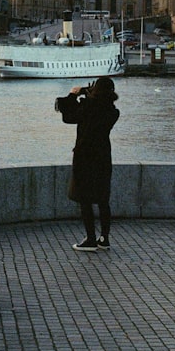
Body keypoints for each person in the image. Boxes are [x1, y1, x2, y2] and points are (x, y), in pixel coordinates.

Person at [57, 77, 120, 252]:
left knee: (84, 199)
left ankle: (90, 239)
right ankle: (104, 239)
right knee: (102, 199)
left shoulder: (88, 107)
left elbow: (68, 116)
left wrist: (73, 94)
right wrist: (87, 96)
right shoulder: (113, 112)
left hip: (85, 156)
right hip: (103, 157)